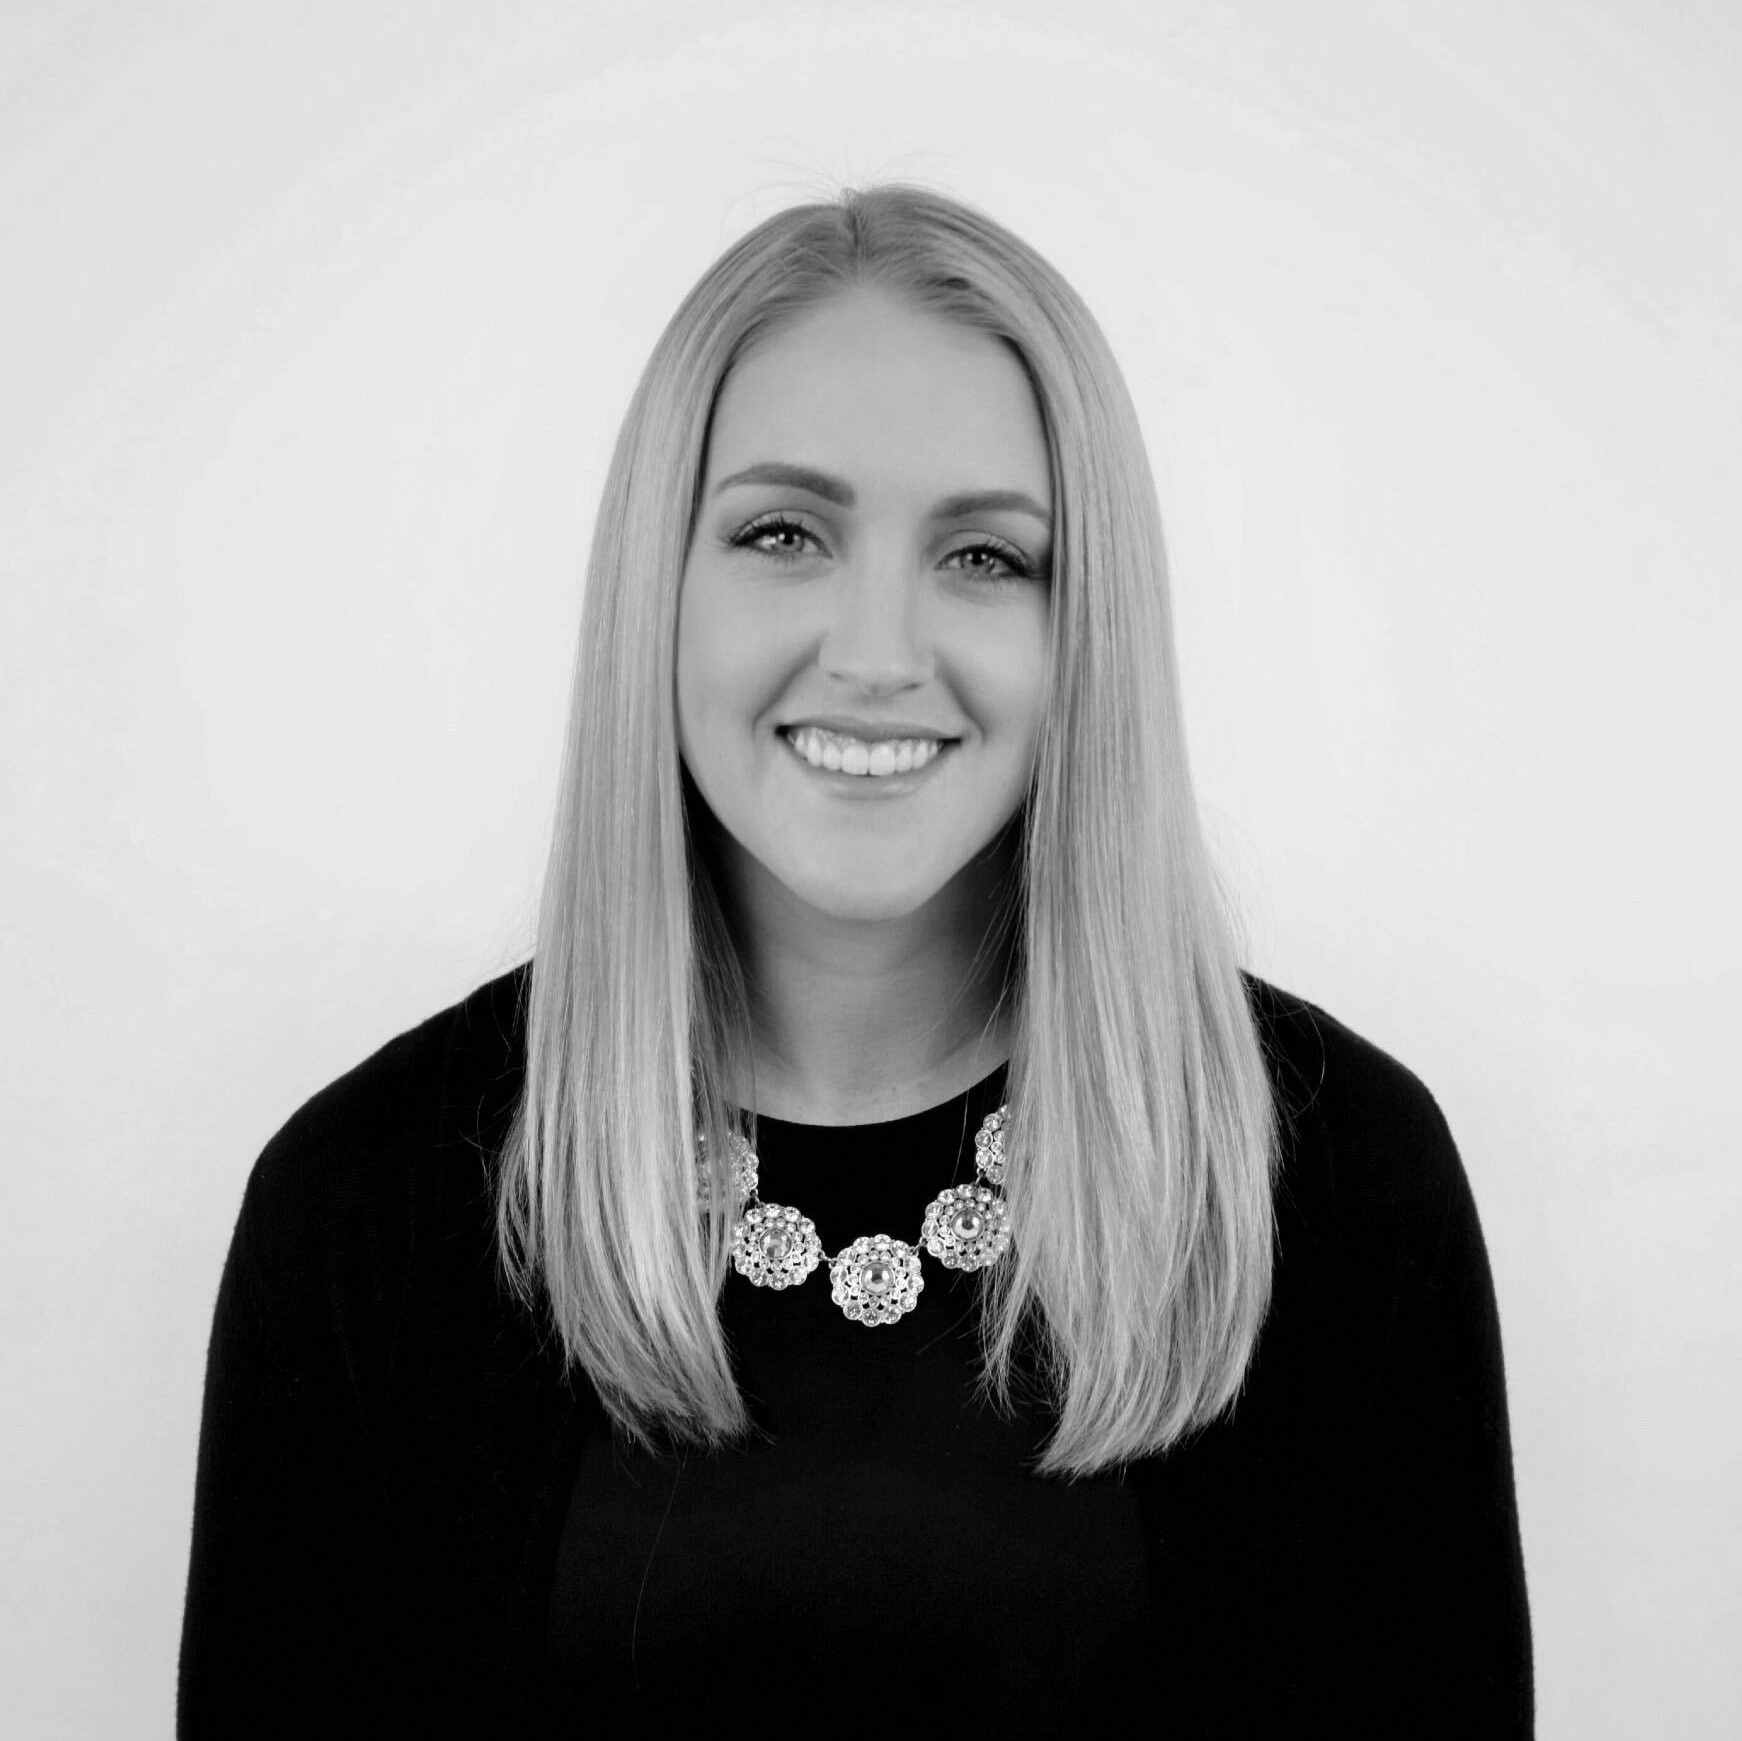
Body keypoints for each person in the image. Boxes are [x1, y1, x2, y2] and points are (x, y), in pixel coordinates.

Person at [177, 182, 1533, 1736]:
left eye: (986, 556)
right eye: (783, 533)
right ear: (655, 587)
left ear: (1084, 631)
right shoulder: (370, 1205)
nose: (878, 653)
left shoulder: (1335, 1181)